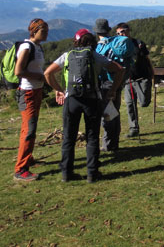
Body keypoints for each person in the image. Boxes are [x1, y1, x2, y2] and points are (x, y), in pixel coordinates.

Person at [44, 28, 123, 183]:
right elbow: (119, 70)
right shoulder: (94, 55)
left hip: (71, 100)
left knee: (68, 137)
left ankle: (67, 173)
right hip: (92, 99)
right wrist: (113, 90)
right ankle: (92, 173)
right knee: (92, 137)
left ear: (76, 41)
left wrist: (58, 90)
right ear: (92, 42)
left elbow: (47, 73)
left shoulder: (67, 56)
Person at [13, 18, 48, 181]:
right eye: (43, 30)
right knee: (29, 129)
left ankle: (28, 158)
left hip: (35, 91)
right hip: (27, 92)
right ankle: (20, 170)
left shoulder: (37, 46)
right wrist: (40, 76)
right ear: (34, 31)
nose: (46, 33)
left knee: (28, 127)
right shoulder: (27, 47)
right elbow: (18, 71)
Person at [116, 22, 155, 138]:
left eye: (122, 31)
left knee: (143, 103)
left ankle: (145, 99)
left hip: (143, 78)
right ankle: (134, 128)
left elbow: (147, 59)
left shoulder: (138, 44)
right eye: (118, 33)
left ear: (128, 31)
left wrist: (152, 72)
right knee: (129, 104)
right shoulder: (118, 46)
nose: (120, 34)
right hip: (128, 79)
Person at [93, 18, 127, 152]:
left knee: (108, 114)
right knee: (114, 112)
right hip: (117, 82)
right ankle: (113, 143)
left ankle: (108, 145)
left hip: (106, 83)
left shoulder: (99, 47)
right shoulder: (115, 43)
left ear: (96, 32)